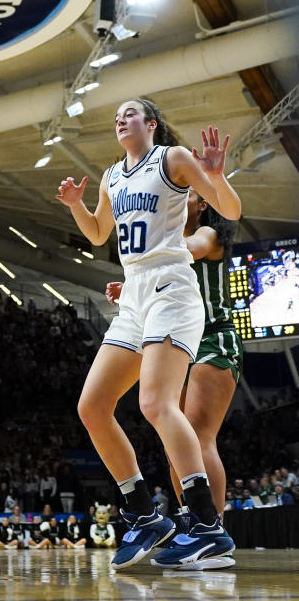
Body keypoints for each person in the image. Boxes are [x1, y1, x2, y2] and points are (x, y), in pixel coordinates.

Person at [56, 99, 241, 570]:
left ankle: (205, 525)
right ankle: (142, 514)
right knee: (92, 407)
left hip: (171, 289)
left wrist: (216, 175)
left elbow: (231, 209)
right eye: (117, 114)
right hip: (135, 293)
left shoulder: (173, 159)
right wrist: (78, 206)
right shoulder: (111, 176)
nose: (121, 118)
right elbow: (99, 233)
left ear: (151, 124)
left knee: (156, 404)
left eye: (131, 112)